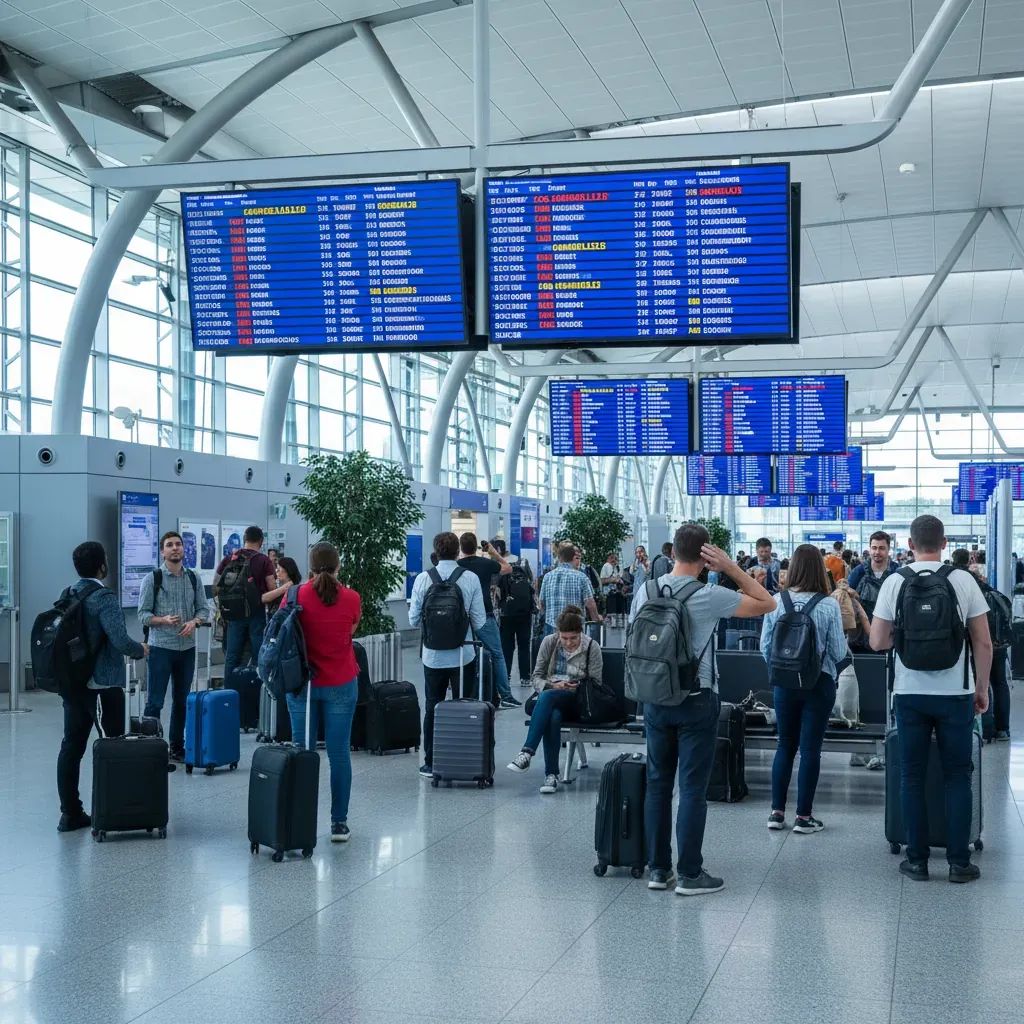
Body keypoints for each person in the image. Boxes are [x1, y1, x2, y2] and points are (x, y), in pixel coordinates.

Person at [629, 523, 775, 894]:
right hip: (697, 700)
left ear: (673, 552)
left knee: (658, 786)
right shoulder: (709, 594)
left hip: (655, 698)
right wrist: (730, 568)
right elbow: (766, 602)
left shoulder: (644, 591)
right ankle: (691, 873)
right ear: (706, 555)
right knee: (692, 788)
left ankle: (658, 871)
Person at [870, 515, 992, 884]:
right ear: (943, 544)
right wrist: (982, 688)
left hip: (909, 693)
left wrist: (906, 640)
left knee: (911, 776)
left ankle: (917, 861)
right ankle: (958, 862)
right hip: (956, 692)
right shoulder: (963, 580)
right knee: (958, 776)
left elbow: (877, 642)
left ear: (909, 545)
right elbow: (983, 642)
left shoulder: (895, 582)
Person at [56, 541, 147, 832]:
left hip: (73, 682)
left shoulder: (68, 593)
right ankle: (112, 808)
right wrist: (141, 649)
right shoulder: (104, 597)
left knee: (72, 745)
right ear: (102, 565)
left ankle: (70, 812)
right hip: (103, 683)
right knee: (112, 745)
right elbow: (120, 640)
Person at [760, 544, 851, 834]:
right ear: (819, 570)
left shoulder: (776, 601)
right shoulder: (828, 605)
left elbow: (765, 647)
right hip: (818, 683)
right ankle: (803, 817)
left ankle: (776, 813)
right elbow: (837, 652)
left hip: (784, 684)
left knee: (785, 745)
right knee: (811, 749)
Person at [286, 542, 360, 842]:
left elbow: (285, 636)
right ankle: (339, 823)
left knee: (302, 753)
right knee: (339, 754)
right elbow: (350, 631)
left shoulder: (294, 595)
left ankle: (299, 821)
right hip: (341, 682)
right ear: (338, 565)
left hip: (302, 685)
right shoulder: (352, 598)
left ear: (310, 565)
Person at [409, 531, 486, 779]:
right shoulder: (470, 578)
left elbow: (412, 620)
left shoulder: (423, 578)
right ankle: (464, 759)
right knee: (466, 706)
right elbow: (480, 620)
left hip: (432, 655)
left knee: (432, 706)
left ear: (436, 550)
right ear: (458, 552)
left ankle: (431, 762)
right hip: (463, 653)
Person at [506, 605, 604, 794]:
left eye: (573, 638)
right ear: (558, 633)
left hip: (578, 700)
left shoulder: (592, 646)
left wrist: (574, 685)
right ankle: (551, 776)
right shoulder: (549, 642)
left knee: (548, 699)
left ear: (580, 633)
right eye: (564, 638)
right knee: (553, 714)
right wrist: (553, 685)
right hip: (550, 697)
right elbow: (536, 677)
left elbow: (596, 683)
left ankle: (527, 752)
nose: (568, 643)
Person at [137, 531, 210, 763]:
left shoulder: (193, 577)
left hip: (186, 649)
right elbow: (143, 614)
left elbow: (203, 608)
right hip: (160, 648)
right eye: (170, 545)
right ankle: (150, 748)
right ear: (162, 551)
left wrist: (194, 622)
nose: (175, 548)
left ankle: (177, 747)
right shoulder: (153, 579)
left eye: (178, 544)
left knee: (181, 700)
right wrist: (163, 620)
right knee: (155, 701)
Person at [953, 549, 1011, 741]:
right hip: (999, 642)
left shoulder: (960, 584)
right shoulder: (989, 589)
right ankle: (1003, 729)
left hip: (978, 643)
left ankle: (987, 729)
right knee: (1000, 683)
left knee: (981, 682)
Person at [457, 532, 520, 709]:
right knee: (497, 654)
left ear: (461, 548)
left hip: (462, 617)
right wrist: (493, 552)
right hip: (484, 613)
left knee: (465, 654)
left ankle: (464, 694)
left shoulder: (457, 566)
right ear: (475, 545)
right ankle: (506, 696)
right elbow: (508, 568)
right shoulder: (486, 563)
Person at [214, 525, 276, 687]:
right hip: (256, 613)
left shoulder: (230, 558)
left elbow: (216, 586)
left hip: (233, 614)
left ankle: (229, 691)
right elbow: (271, 587)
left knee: (232, 655)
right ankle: (256, 689)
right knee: (258, 654)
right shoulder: (264, 560)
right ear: (261, 542)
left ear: (244, 539)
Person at [539, 543, 602, 637]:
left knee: (553, 650)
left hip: (552, 628)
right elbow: (590, 604)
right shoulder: (581, 577)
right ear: (573, 557)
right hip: (574, 628)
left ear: (559, 558)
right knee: (574, 650)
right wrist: (597, 620)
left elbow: (542, 603)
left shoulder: (547, 577)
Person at [498, 557, 535, 685]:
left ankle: (506, 675)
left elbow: (499, 595)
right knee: (524, 646)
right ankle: (525, 677)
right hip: (525, 615)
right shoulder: (525, 573)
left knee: (507, 647)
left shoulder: (503, 574)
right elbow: (532, 592)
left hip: (506, 615)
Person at [847, 531, 897, 622]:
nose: (877, 552)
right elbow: (848, 597)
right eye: (874, 548)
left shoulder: (896, 572)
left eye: (881, 548)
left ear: (888, 549)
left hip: (890, 626)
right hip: (862, 627)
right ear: (870, 549)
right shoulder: (858, 572)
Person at [599, 552, 624, 616]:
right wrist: (614, 580)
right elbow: (601, 581)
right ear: (607, 559)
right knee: (611, 617)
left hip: (618, 595)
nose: (614, 560)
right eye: (611, 558)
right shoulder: (606, 566)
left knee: (618, 616)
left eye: (615, 558)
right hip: (609, 596)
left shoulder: (616, 568)